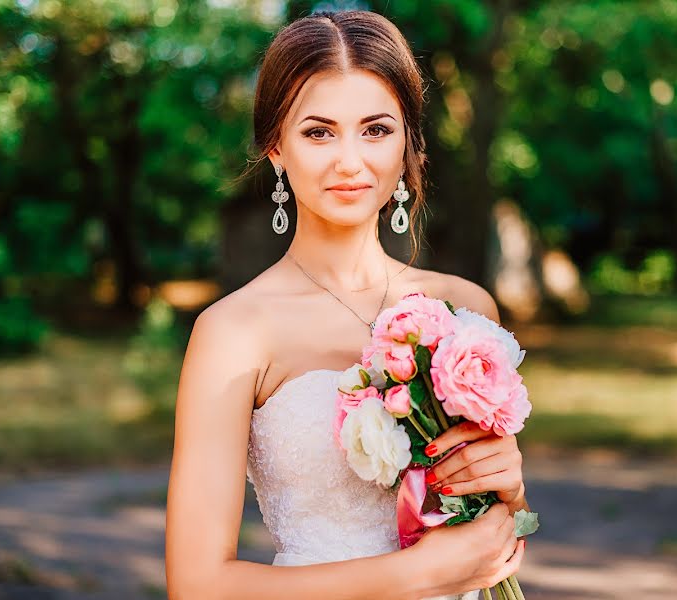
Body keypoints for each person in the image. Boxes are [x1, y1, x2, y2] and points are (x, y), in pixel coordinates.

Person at [165, 10, 528, 600]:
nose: (350, 161)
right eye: (319, 132)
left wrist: (508, 491)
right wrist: (418, 574)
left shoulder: (465, 309)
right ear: (276, 148)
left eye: (376, 130)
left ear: (409, 142)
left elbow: (495, 540)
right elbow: (196, 584)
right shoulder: (234, 331)